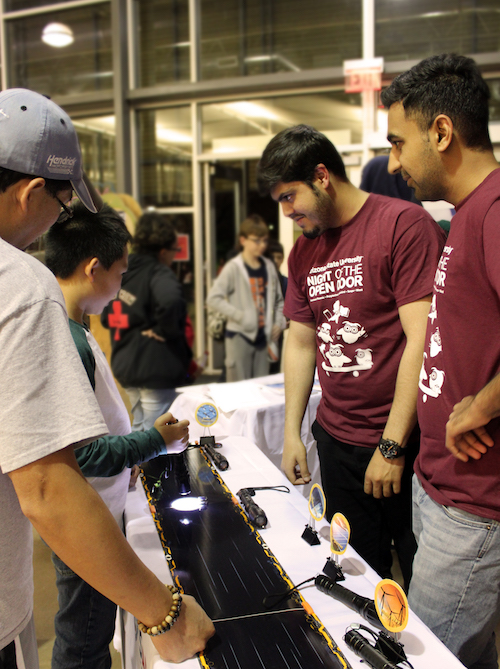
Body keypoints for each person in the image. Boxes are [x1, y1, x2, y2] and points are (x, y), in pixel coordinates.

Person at [0, 88, 213, 668]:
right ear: (32, 192)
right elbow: (47, 486)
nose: (57, 223)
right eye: (64, 204)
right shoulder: (20, 286)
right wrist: (163, 614)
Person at [256, 124, 445, 589]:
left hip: (408, 442)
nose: (287, 213)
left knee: (423, 582)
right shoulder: (303, 253)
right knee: (360, 572)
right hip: (338, 442)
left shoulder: (403, 225)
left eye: (289, 197)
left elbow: (420, 342)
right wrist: (293, 434)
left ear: (322, 176)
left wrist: (392, 445)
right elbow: (301, 343)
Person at [382, 54, 500, 669]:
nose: (394, 163)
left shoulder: (495, 209)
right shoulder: (466, 213)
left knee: (421, 658)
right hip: (442, 489)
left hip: (474, 508)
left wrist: (479, 405)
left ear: (443, 132)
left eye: (399, 143)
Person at [44, 201, 192, 669]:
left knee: (88, 628)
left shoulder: (76, 329)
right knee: (85, 636)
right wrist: (153, 439)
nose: (122, 287)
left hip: (97, 508)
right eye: (121, 273)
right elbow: (84, 456)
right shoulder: (66, 339)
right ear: (94, 269)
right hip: (85, 520)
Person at [101, 211, 193, 431]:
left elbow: (106, 316)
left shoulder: (122, 270)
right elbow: (171, 303)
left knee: (140, 425)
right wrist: (164, 330)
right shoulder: (158, 273)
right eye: (173, 251)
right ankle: (148, 466)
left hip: (126, 365)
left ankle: (138, 466)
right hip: (154, 368)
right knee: (156, 432)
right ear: (163, 251)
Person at [206, 215, 285, 382]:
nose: (262, 245)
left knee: (261, 392)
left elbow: (279, 300)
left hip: (264, 338)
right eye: (257, 240)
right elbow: (213, 298)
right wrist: (240, 316)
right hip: (239, 337)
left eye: (264, 241)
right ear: (243, 240)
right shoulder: (233, 267)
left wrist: (279, 323)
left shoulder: (269, 266)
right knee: (238, 391)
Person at [266, 239, 288, 374]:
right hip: (258, 335)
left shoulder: (286, 282)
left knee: (273, 373)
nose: (275, 261)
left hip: (276, 335)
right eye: (272, 257)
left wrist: (280, 325)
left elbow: (292, 314)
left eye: (279, 257)